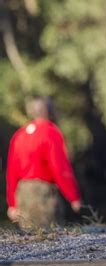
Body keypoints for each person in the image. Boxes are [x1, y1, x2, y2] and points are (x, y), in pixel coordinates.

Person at [6, 97, 82, 229]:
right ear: (49, 111)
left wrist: (12, 204)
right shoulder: (51, 132)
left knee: (27, 241)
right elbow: (59, 167)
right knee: (48, 237)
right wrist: (73, 196)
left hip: (22, 194)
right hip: (43, 195)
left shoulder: (19, 135)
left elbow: (11, 172)